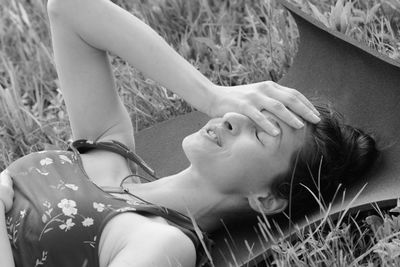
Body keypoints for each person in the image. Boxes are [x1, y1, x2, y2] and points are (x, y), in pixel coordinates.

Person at [0, 0, 378, 266]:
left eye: (263, 132)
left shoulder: (161, 243)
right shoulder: (109, 146)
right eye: (252, 112)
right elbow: (69, 9)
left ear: (266, 199)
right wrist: (209, 94)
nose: (234, 118)